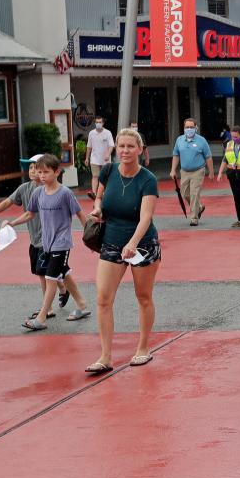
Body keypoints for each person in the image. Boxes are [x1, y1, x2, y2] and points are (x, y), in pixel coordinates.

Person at [85, 129, 160, 373]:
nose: (125, 151)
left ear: (140, 149)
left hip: (143, 244)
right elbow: (99, 198)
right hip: (111, 241)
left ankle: (143, 347)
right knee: (103, 299)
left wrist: (133, 243)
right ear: (116, 147)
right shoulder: (108, 171)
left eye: (130, 146)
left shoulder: (147, 179)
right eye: (122, 146)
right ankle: (105, 356)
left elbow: (146, 217)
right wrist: (97, 210)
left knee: (143, 296)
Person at [2, 154, 92, 331]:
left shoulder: (65, 193)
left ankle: (42, 317)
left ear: (57, 172)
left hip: (62, 243)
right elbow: (30, 214)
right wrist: (11, 223)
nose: (42, 175)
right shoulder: (38, 193)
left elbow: (80, 214)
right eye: (39, 172)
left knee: (51, 278)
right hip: (47, 243)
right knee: (63, 273)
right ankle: (82, 305)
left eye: (46, 172)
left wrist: (89, 237)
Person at [0, 155, 68, 318]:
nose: (32, 171)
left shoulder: (52, 190)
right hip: (35, 240)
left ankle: (48, 309)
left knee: (43, 273)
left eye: (36, 168)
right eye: (30, 168)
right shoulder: (24, 189)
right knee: (54, 272)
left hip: (50, 240)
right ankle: (63, 290)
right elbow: (6, 203)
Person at [170, 118, 214, 226]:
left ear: (196, 128)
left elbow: (208, 157)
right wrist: (173, 170)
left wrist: (211, 172)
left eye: (191, 127)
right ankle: (199, 207)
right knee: (185, 193)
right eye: (187, 127)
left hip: (198, 171)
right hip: (184, 171)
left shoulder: (201, 141)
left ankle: (194, 218)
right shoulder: (179, 140)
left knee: (194, 193)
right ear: (184, 128)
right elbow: (176, 155)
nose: (189, 129)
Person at [86, 116, 114, 200]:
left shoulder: (107, 133)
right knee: (95, 176)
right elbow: (89, 146)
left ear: (103, 123)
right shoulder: (91, 133)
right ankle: (94, 193)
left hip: (105, 159)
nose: (98, 124)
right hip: (94, 158)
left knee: (105, 176)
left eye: (100, 122)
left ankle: (105, 192)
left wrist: (108, 154)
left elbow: (111, 145)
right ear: (95, 123)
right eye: (97, 122)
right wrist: (87, 158)